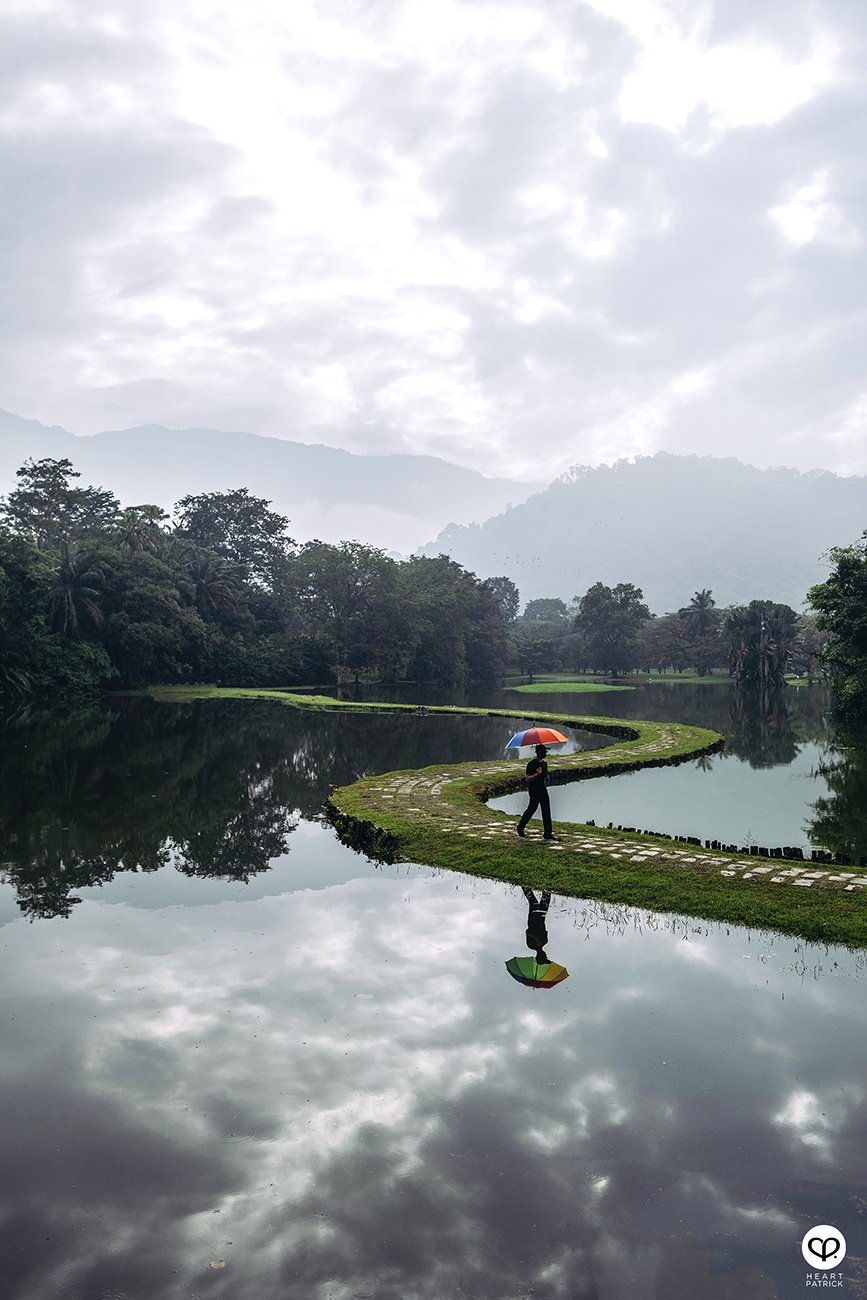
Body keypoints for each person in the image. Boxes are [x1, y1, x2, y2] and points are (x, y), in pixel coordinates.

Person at [516, 743, 556, 839]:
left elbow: (545, 776)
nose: (544, 754)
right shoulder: (531, 764)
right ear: (537, 753)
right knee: (532, 809)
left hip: (542, 788)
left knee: (546, 810)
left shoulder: (544, 764)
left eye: (545, 752)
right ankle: (520, 827)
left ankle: (548, 833)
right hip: (534, 789)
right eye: (542, 752)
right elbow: (527, 778)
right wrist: (536, 774)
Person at [522, 886, 551, 962]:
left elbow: (528, 932)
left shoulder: (531, 945)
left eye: (544, 956)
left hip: (533, 919)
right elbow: (544, 930)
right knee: (546, 899)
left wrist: (537, 940)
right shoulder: (545, 941)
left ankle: (524, 884)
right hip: (542, 918)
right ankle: (547, 886)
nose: (545, 954)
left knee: (532, 900)